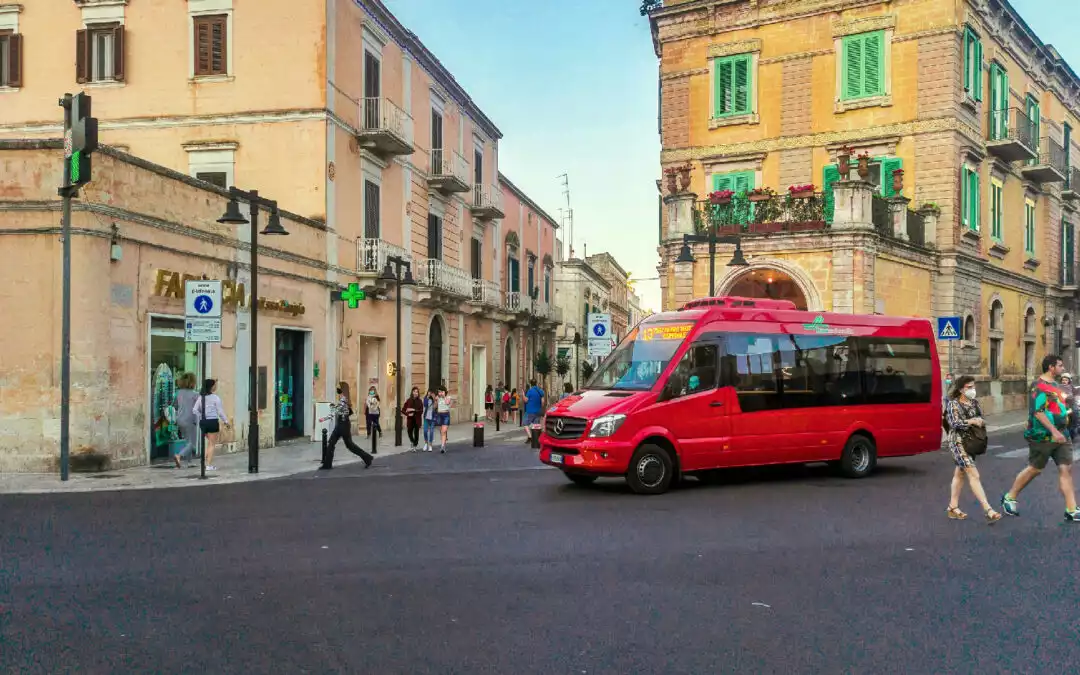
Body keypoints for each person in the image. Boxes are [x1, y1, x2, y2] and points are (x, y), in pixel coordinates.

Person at [1001, 354, 1080, 522]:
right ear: (1051, 367)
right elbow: (1038, 412)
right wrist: (1053, 430)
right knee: (1035, 469)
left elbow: (1056, 408)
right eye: (1060, 365)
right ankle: (1010, 497)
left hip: (1062, 435)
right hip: (1042, 436)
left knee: (1065, 469)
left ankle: (1071, 509)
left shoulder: (1055, 385)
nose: (1063, 368)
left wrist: (1066, 417)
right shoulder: (1039, 386)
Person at [943, 376, 1001, 523]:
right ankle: (988, 509)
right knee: (973, 474)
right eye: (969, 387)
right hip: (958, 442)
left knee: (960, 474)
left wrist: (980, 420)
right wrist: (971, 421)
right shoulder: (953, 404)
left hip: (971, 442)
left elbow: (981, 417)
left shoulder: (974, 403)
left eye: (973, 387)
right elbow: (954, 423)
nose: (972, 390)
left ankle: (952, 507)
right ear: (961, 389)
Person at [320, 382, 373, 470]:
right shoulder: (344, 399)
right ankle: (367, 458)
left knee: (339, 444)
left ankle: (367, 457)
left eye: (338, 388)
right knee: (346, 445)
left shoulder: (343, 399)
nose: (337, 390)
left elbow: (336, 410)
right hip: (342, 424)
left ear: (342, 390)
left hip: (342, 425)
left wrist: (331, 407)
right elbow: (342, 412)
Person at [192, 378, 230, 471]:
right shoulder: (215, 398)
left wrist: (201, 416)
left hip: (203, 422)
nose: (216, 386)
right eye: (215, 385)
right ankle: (208, 465)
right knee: (212, 444)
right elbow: (220, 412)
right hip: (212, 421)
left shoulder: (201, 398)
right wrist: (226, 421)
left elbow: (194, 410)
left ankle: (205, 462)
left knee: (209, 443)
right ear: (211, 387)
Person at [173, 373, 199, 468]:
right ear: (193, 382)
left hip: (180, 420)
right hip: (190, 420)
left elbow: (175, 406)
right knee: (192, 444)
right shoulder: (195, 394)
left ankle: (189, 462)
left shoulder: (178, 393)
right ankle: (179, 455)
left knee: (188, 441)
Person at [402, 386, 424, 450]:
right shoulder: (408, 400)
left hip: (417, 419)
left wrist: (414, 410)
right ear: (412, 392)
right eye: (414, 391)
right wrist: (407, 414)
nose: (415, 393)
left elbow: (421, 411)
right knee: (409, 432)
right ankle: (412, 441)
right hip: (410, 419)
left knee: (416, 433)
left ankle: (415, 444)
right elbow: (403, 410)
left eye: (417, 392)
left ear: (418, 393)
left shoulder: (420, 401)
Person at [435, 386, 452, 453]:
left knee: (443, 431)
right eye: (439, 392)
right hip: (439, 415)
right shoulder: (438, 398)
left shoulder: (448, 397)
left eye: (442, 392)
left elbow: (447, 403)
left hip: (445, 415)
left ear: (445, 392)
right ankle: (444, 440)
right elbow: (435, 407)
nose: (440, 393)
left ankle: (442, 447)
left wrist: (443, 396)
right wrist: (436, 401)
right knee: (441, 431)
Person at [1062, 373, 1078, 442]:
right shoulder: (1059, 386)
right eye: (1063, 380)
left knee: (1075, 415)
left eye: (1066, 380)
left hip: (1072, 405)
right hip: (1063, 405)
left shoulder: (1071, 387)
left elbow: (1075, 394)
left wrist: (1070, 396)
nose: (1064, 381)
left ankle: (1073, 433)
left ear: (1069, 381)